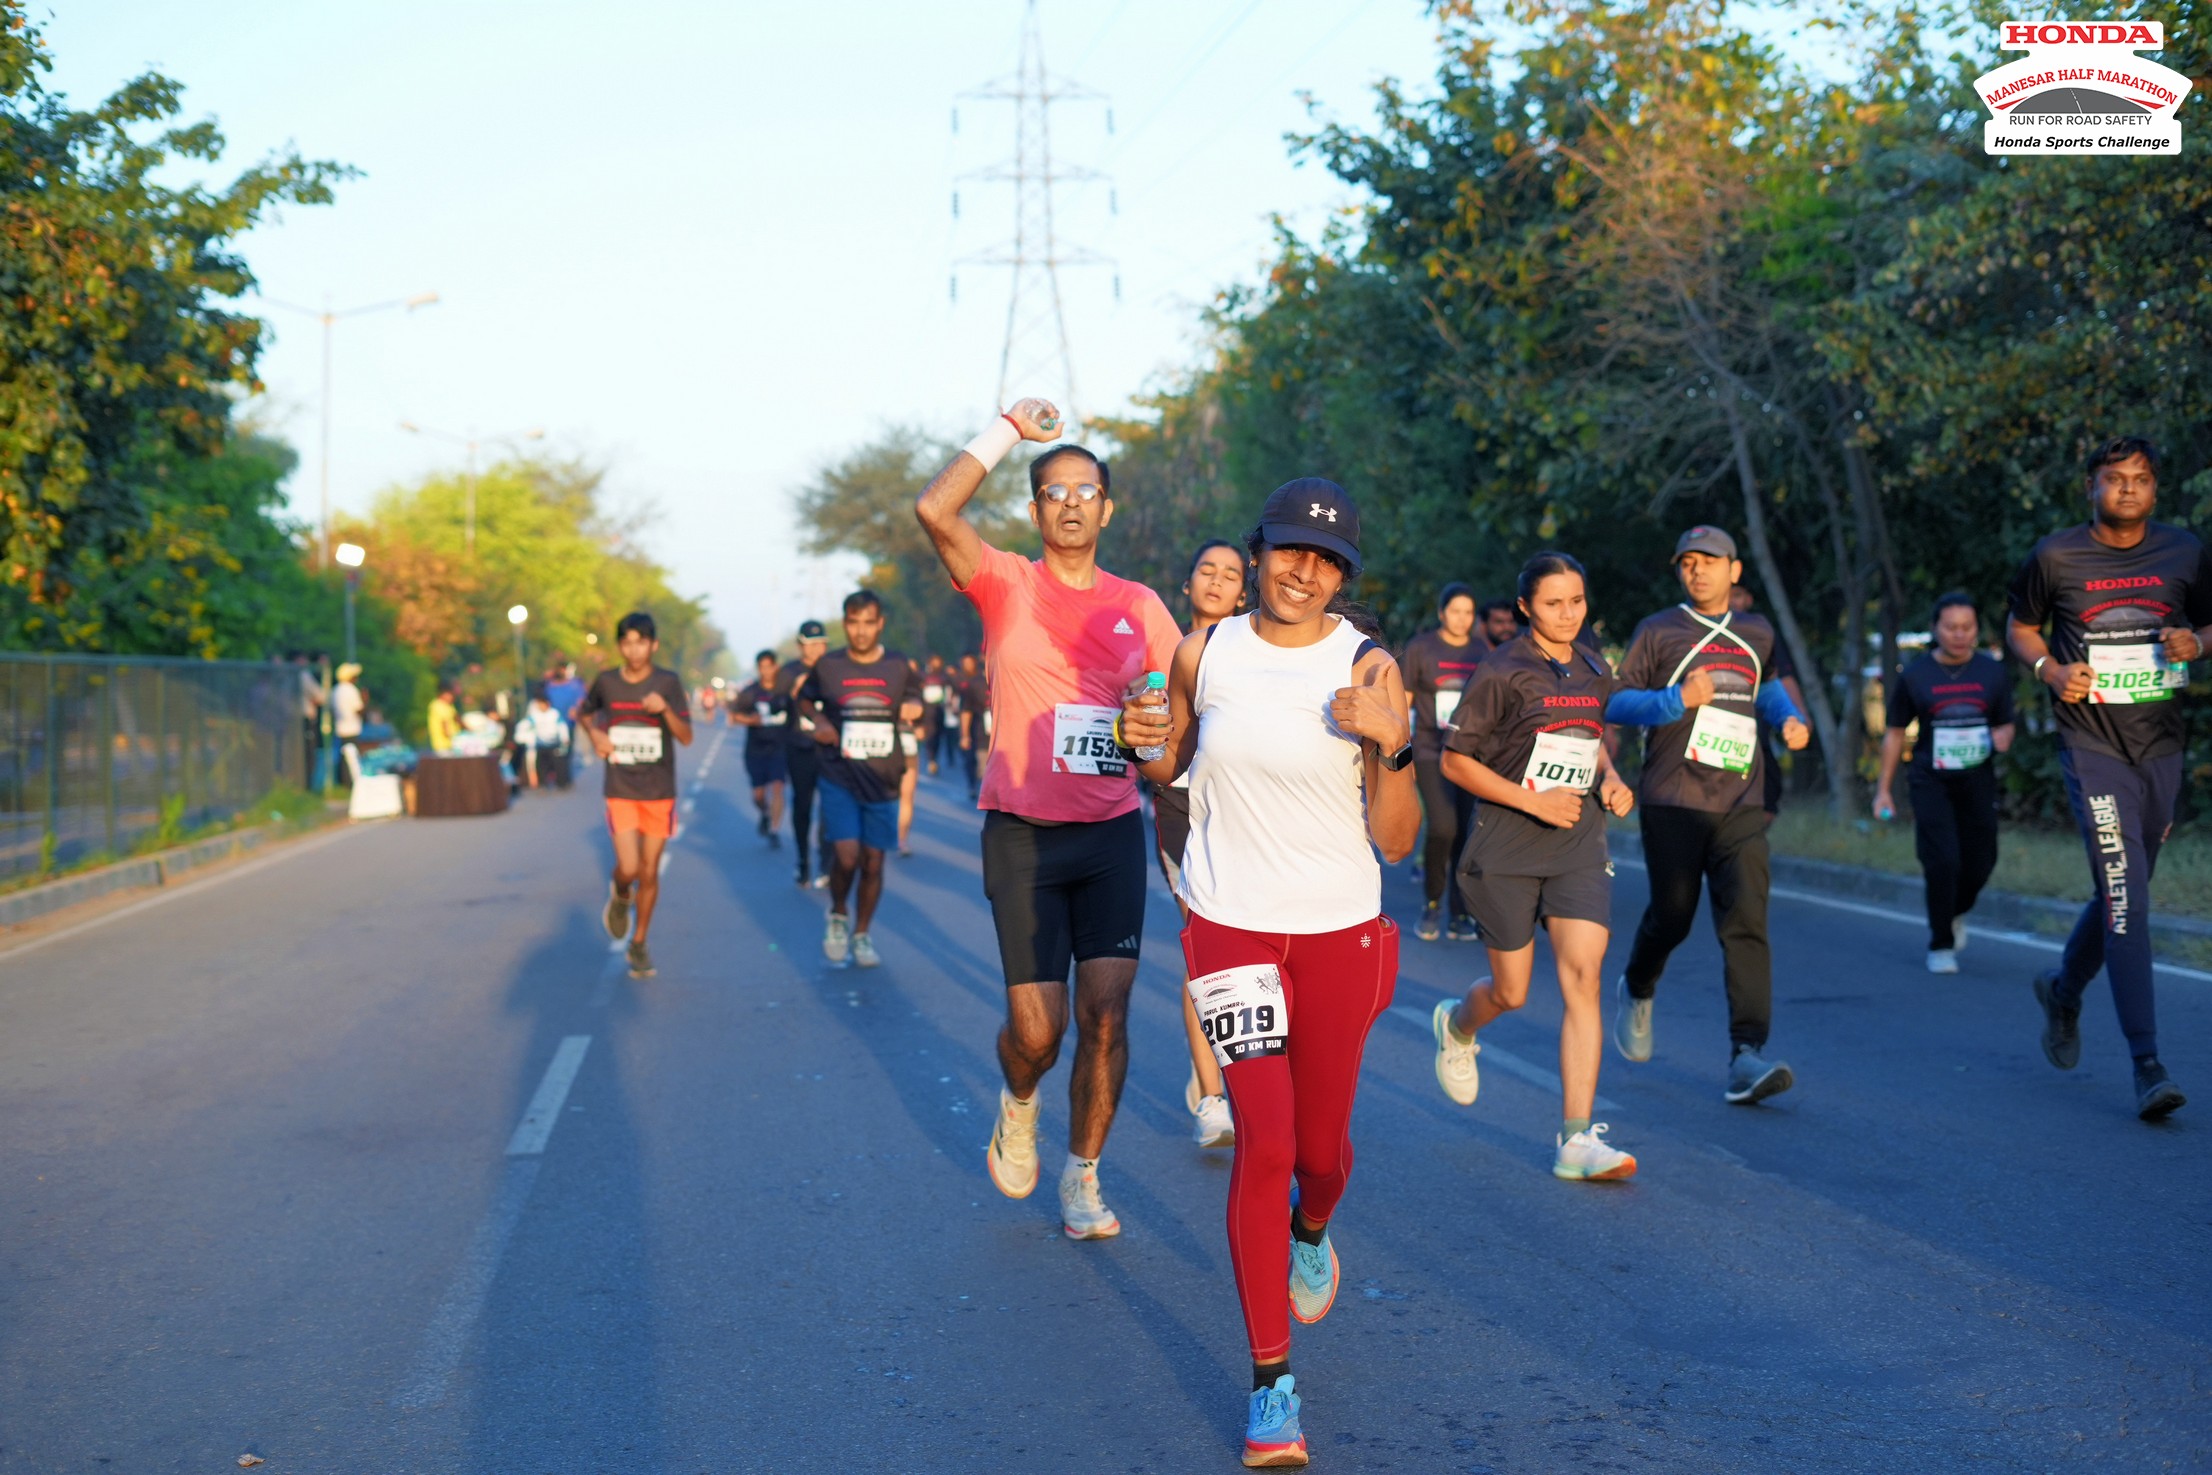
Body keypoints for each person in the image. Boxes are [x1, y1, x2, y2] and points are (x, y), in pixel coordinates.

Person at [1120, 477, 1418, 1469]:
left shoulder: (1368, 665)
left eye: (1328, 561)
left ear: (1344, 576)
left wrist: (1395, 745)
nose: (1305, 572)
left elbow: (1397, 838)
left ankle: (1312, 1227)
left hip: (1338, 930)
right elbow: (1168, 767)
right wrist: (1140, 745)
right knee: (1266, 1138)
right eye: (1291, 550)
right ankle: (1271, 1384)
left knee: (1321, 1152)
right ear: (1258, 551)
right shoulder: (1204, 651)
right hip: (1231, 927)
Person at [915, 396, 1183, 1241]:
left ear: (1107, 509)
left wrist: (1152, 733)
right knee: (1039, 1030)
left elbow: (1174, 721)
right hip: (1023, 833)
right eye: (1054, 491)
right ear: (1035, 512)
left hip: (1110, 833)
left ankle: (1084, 1175)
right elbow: (935, 509)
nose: (1071, 502)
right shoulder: (1006, 582)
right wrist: (1006, 429)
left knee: (1107, 1012)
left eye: (1086, 490)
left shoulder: (1141, 606)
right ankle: (1020, 1098)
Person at [2009, 436, 2210, 1121]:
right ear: (2090, 486)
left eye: (2140, 478)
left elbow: (2211, 624)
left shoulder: (2185, 551)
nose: (2128, 488)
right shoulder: (2056, 555)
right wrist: (2050, 670)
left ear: (2155, 488)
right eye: (2114, 477)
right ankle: (2147, 1063)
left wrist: (2197, 642)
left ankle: (2064, 990)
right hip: (2091, 744)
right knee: (2128, 898)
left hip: (2160, 746)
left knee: (2127, 886)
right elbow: (2021, 627)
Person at [1429, 552, 1641, 1181]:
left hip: (1577, 841)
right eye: (1553, 603)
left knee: (1585, 977)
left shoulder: (1594, 666)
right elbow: (1454, 762)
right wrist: (1532, 801)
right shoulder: (1501, 670)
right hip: (1507, 845)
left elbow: (1590, 739)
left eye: (1576, 601)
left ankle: (1576, 1139)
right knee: (1512, 992)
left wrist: (1610, 779)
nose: (1568, 614)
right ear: (1525, 607)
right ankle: (1458, 1026)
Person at [1604, 525, 1810, 1104]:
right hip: (1672, 797)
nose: (1698, 571)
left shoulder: (1757, 631)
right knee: (1673, 915)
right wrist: (1676, 700)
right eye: (1688, 562)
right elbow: (1617, 702)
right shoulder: (1658, 630)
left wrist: (1787, 718)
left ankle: (1747, 1053)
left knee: (1746, 920)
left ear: (1734, 570)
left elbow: (1765, 687)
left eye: (1710, 561)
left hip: (1741, 801)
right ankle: (1638, 984)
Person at [1157, 538, 1249, 1150]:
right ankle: (1213, 1098)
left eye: (1230, 575)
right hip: (1180, 812)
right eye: (1206, 571)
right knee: (1205, 948)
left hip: (1247, 813)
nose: (1216, 581)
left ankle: (1230, 1065)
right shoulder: (1160, 649)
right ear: (1187, 584)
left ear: (1243, 593)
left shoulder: (1257, 652)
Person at [1874, 592, 2017, 974]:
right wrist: (1883, 789)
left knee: (1982, 861)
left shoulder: (1992, 672)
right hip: (1930, 780)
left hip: (1977, 778)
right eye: (1951, 627)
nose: (1959, 634)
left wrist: (2004, 737)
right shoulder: (1916, 675)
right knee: (1942, 860)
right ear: (1935, 629)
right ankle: (1940, 944)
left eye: (1966, 627)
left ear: (1976, 629)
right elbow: (1895, 732)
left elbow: (2005, 723)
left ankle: (1954, 912)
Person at [791, 591, 923, 967]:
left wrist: (914, 706)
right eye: (853, 622)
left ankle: (862, 933)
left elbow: (917, 697)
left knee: (874, 861)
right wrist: (818, 721)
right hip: (840, 773)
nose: (861, 631)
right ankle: (838, 912)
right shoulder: (829, 665)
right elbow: (804, 700)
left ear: (880, 624)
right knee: (847, 855)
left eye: (869, 622)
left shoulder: (897, 665)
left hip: (882, 776)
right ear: (845, 624)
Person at [577, 611, 694, 980]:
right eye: (627, 643)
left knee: (650, 870)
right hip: (621, 788)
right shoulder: (607, 682)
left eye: (641, 643)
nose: (634, 650)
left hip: (659, 791)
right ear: (620, 646)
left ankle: (639, 941)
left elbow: (686, 736)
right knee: (629, 868)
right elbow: (584, 713)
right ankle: (621, 893)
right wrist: (596, 735)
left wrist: (665, 710)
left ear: (653, 645)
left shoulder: (668, 683)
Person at [1398, 582, 1487, 942]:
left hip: (1468, 755)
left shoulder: (1482, 651)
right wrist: (1400, 754)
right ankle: (1432, 902)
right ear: (1441, 613)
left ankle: (1460, 912)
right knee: (1443, 827)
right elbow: (1402, 704)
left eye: (1468, 612)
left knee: (1467, 832)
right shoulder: (1421, 648)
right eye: (1455, 611)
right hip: (1430, 751)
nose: (1461, 618)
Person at [1728, 585, 1807, 824]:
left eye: (1737, 595)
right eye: (1728, 595)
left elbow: (1780, 679)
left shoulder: (1760, 632)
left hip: (1753, 731)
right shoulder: (1686, 629)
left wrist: (1797, 718)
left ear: (1749, 599)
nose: (1732, 601)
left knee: (1767, 796)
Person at [778, 620, 837, 889]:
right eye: (809, 644)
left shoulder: (834, 668)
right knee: (802, 806)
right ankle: (803, 860)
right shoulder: (788, 672)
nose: (815, 649)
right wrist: (793, 694)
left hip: (829, 750)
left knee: (830, 806)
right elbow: (774, 706)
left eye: (820, 644)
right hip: (799, 747)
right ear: (800, 645)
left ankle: (826, 862)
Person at [730, 648, 789, 846]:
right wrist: (749, 720)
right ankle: (765, 813)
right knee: (758, 795)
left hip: (779, 748)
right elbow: (735, 715)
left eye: (769, 667)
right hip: (756, 750)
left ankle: (774, 830)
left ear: (775, 667)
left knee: (778, 787)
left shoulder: (784, 691)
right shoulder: (751, 692)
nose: (766, 671)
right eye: (762, 667)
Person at [952, 651, 990, 799]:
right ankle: (975, 787)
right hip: (980, 733)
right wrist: (965, 735)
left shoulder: (1007, 679)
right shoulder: (975, 683)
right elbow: (966, 711)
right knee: (980, 766)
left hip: (1005, 736)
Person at [544, 660, 587, 790]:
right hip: (552, 724)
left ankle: (565, 778)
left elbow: (582, 699)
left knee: (566, 750)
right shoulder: (549, 686)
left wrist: (576, 709)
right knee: (554, 750)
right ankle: (557, 776)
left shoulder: (574, 685)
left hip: (568, 723)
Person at [330, 662, 366, 785]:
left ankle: (342, 782)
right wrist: (365, 700)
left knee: (343, 758)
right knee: (351, 758)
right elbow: (358, 710)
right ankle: (350, 783)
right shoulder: (351, 690)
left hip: (340, 728)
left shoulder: (335, 690)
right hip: (351, 728)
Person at [920, 653, 952, 776]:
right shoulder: (923, 676)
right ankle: (931, 759)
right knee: (930, 735)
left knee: (938, 736)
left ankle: (935, 757)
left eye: (938, 662)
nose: (936, 664)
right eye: (934, 662)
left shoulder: (944, 677)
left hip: (940, 710)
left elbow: (950, 691)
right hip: (927, 711)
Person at [426, 684, 460, 754]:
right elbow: (444, 724)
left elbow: (457, 718)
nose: (452, 697)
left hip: (451, 744)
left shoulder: (448, 705)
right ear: (444, 694)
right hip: (442, 746)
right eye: (450, 695)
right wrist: (455, 739)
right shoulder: (437, 706)